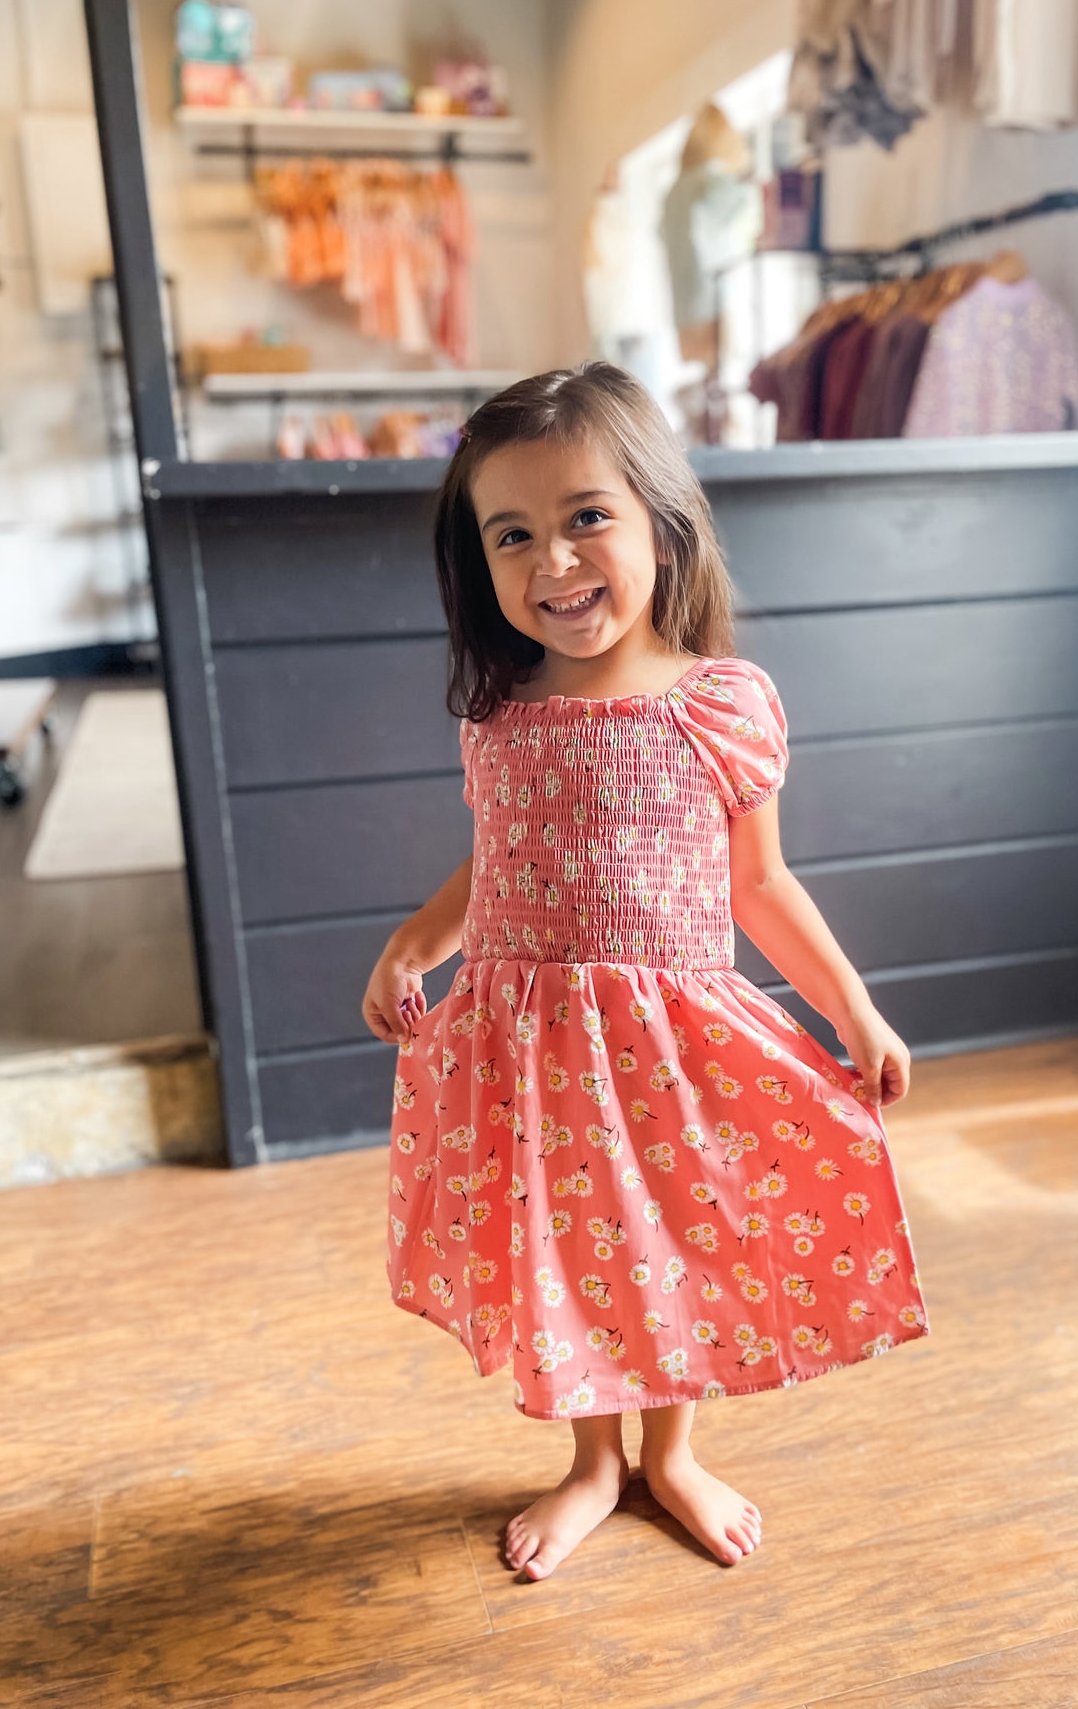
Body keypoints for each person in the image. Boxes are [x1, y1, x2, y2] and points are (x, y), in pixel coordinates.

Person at [364, 361, 930, 1582]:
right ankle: (590, 1461)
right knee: (563, 1252)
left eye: (585, 519)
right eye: (513, 535)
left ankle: (668, 1454)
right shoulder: (499, 716)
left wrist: (853, 1008)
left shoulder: (717, 705)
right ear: (480, 562)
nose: (554, 563)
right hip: (529, 1051)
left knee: (672, 1246)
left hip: (669, 1051)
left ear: (661, 522)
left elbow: (760, 887)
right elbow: (496, 859)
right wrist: (418, 944)